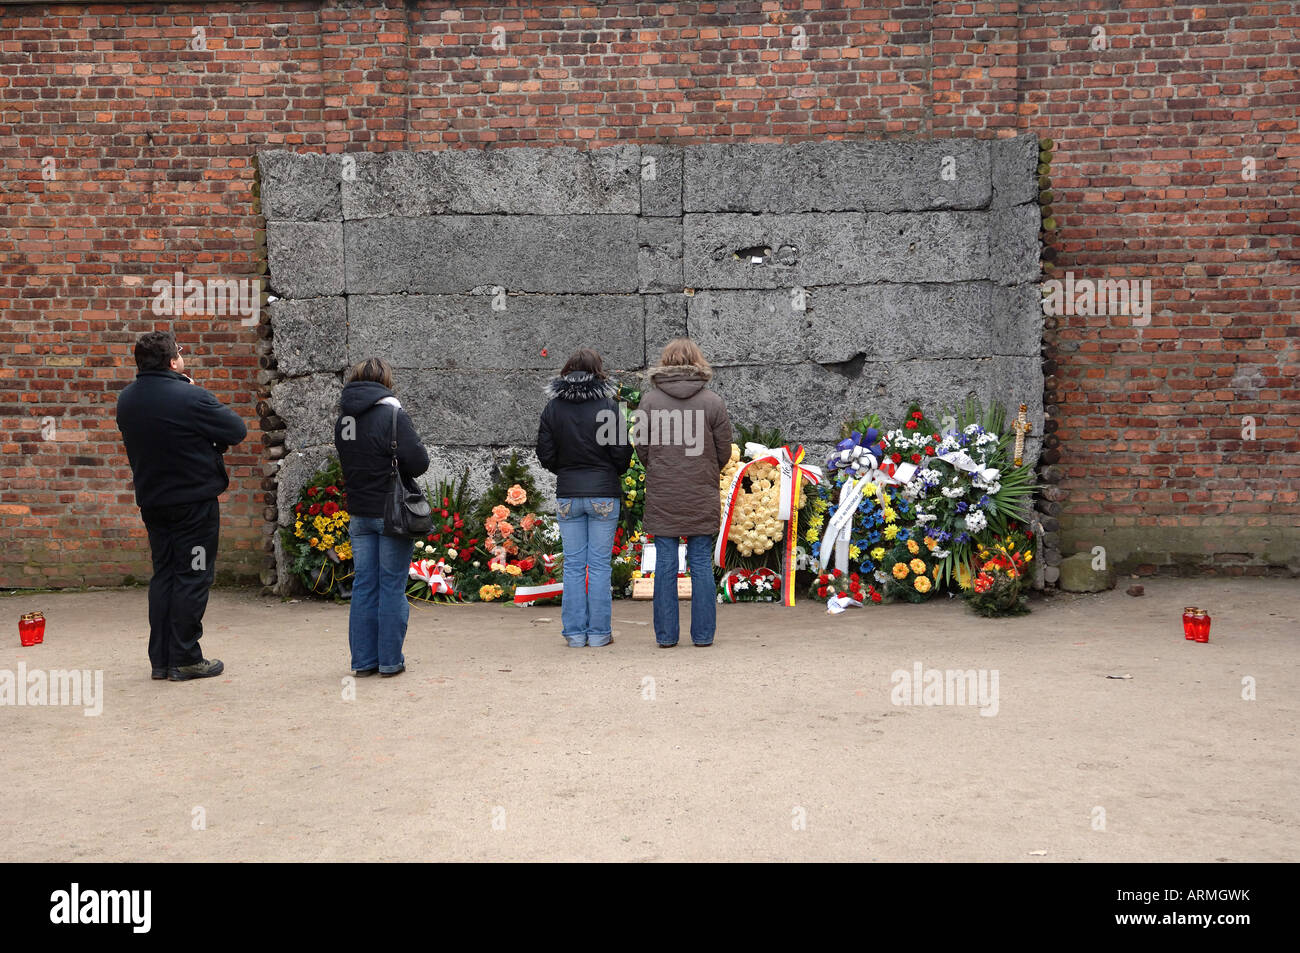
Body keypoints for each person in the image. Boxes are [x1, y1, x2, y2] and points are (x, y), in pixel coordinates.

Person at [116, 331, 247, 681]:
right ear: (172, 361)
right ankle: (186, 658)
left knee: (165, 575)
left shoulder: (126, 400)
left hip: (154, 504)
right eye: (180, 352)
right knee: (193, 575)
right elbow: (236, 430)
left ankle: (161, 660)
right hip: (193, 506)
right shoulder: (190, 396)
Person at [633, 338, 732, 648]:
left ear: (665, 364)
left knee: (664, 563)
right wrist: (704, 467)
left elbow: (642, 449)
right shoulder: (713, 402)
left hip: (664, 494)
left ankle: (666, 636)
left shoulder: (649, 403)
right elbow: (724, 452)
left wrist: (661, 468)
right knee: (701, 562)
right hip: (700, 492)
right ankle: (702, 636)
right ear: (697, 362)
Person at [334, 357, 428, 678]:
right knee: (391, 586)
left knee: (364, 586)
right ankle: (389, 661)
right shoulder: (392, 414)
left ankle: (362, 662)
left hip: (359, 512)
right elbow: (419, 462)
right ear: (385, 382)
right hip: (392, 513)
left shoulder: (344, 418)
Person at [537, 348, 632, 648]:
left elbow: (545, 453)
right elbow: (622, 454)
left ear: (567, 371)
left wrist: (564, 470)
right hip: (603, 492)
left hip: (568, 493)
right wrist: (608, 471)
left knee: (574, 566)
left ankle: (575, 635)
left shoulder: (553, 408)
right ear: (597, 371)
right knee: (600, 565)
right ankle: (600, 633)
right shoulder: (608, 405)